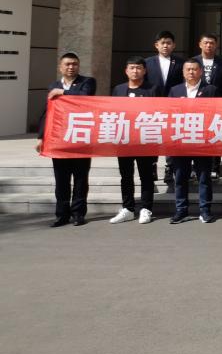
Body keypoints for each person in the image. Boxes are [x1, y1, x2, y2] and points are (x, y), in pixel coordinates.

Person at [37, 52, 96, 227]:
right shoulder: (53, 85)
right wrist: (41, 137)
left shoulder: (87, 82)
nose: (71, 67)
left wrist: (62, 92)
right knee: (61, 180)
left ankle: (78, 214)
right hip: (60, 140)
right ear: (60, 67)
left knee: (80, 179)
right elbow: (47, 113)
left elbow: (85, 97)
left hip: (81, 137)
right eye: (68, 64)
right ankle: (62, 215)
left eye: (74, 64)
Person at [168, 58, 219, 224]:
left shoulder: (211, 90)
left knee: (204, 178)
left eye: (194, 69)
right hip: (180, 140)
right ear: (183, 72)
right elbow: (169, 114)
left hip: (202, 141)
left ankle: (205, 210)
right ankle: (181, 210)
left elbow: (217, 113)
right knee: (180, 177)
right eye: (188, 69)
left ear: (201, 72)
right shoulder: (175, 90)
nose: (191, 72)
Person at [109, 57, 156, 225]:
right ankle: (128, 208)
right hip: (124, 139)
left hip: (145, 138)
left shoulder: (153, 89)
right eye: (132, 68)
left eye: (138, 68)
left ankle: (146, 208)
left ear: (145, 71)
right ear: (126, 71)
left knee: (146, 176)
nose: (135, 71)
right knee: (126, 176)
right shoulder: (118, 89)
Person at [145, 30, 184, 184]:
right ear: (156, 45)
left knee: (171, 136)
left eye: (168, 43)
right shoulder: (147, 63)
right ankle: (152, 164)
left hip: (173, 106)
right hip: (153, 105)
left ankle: (170, 166)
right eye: (162, 43)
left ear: (174, 45)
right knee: (153, 134)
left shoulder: (180, 63)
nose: (165, 46)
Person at [194, 33, 222, 180]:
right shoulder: (193, 61)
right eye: (206, 42)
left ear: (216, 45)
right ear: (200, 44)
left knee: (215, 134)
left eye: (212, 43)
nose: (209, 45)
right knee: (197, 134)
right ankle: (195, 167)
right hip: (196, 105)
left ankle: (215, 166)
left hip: (217, 104)